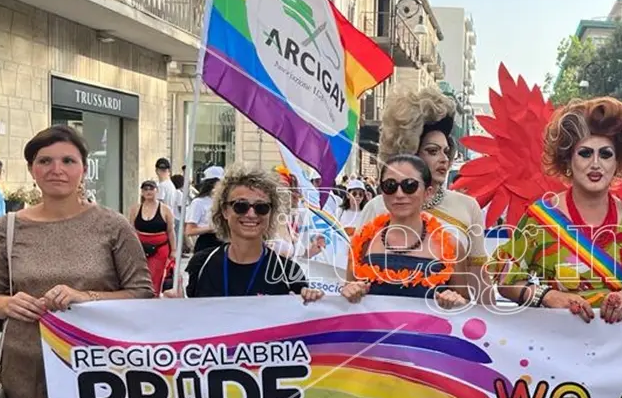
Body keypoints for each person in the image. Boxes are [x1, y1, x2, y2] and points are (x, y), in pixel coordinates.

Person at [0, 125, 153, 398]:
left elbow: (143, 293)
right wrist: (6, 303)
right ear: (31, 169)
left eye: (68, 161)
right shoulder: (8, 227)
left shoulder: (113, 226)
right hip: (24, 368)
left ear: (84, 169)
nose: (56, 169)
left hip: (98, 366)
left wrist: (86, 297)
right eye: (45, 161)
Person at [491, 97, 622, 323]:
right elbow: (507, 282)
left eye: (606, 154)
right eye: (585, 153)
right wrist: (548, 296)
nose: (595, 163)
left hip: (619, 346)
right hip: (555, 346)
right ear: (568, 160)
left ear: (619, 161)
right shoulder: (540, 218)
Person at [361, 87, 491, 303]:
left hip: (442, 329)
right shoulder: (376, 207)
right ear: (411, 152)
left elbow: (479, 283)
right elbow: (353, 276)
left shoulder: (467, 207)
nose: (443, 159)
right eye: (432, 151)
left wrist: (498, 330)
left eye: (445, 151)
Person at [166, 167, 322, 302]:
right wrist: (179, 306)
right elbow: (194, 320)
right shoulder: (202, 264)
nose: (251, 214)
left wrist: (314, 301)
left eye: (261, 207)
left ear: (271, 213)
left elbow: (302, 326)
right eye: (240, 206)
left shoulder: (288, 271)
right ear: (225, 211)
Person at [340, 155, 469, 309]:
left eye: (409, 185)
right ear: (382, 192)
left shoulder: (452, 245)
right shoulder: (362, 242)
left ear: (427, 192)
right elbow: (346, 304)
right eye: (390, 186)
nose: (399, 194)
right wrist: (349, 292)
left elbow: (465, 304)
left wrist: (455, 300)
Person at [126, 181, 177, 296]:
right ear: (142, 192)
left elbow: (170, 231)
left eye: (151, 189)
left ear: (156, 191)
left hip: (160, 247)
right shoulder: (135, 209)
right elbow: (131, 230)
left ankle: (153, 298)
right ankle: (142, 297)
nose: (148, 192)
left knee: (155, 277)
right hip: (140, 247)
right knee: (140, 276)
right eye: (145, 189)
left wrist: (173, 250)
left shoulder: (165, 210)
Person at [184, 166, 224, 254]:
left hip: (223, 242)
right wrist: (210, 228)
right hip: (207, 242)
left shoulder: (223, 201)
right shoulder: (199, 202)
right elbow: (189, 230)